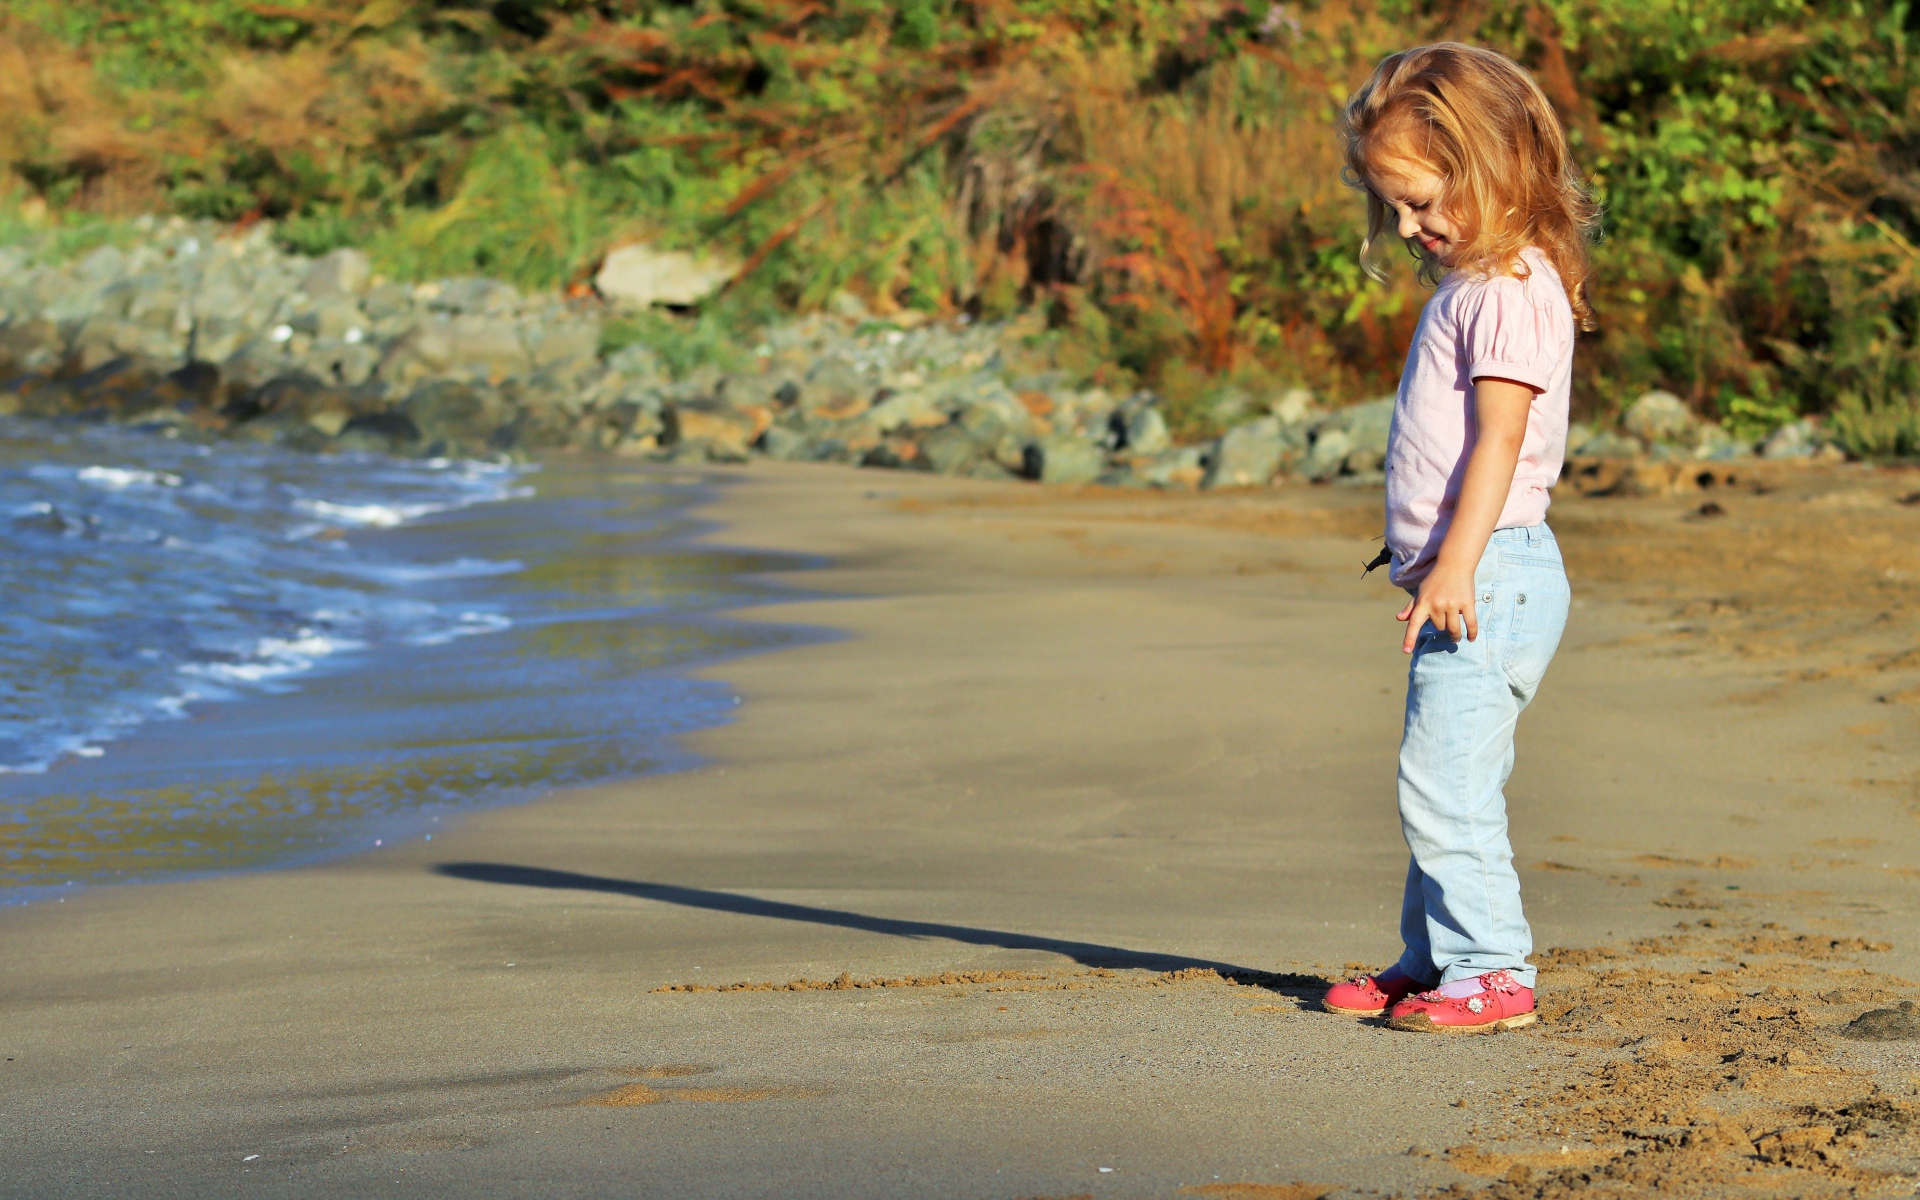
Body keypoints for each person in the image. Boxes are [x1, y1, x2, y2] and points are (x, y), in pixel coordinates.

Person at [1318, 42, 1598, 1033]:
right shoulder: (1484, 284)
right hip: (1479, 572)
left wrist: (1457, 564)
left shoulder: (1511, 288)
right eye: (1395, 208)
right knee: (1446, 777)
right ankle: (1433, 955)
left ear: (1493, 165)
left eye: (1424, 201)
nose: (1410, 226)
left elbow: (1501, 441)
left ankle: (1492, 971)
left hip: (1494, 572)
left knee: (1443, 782)